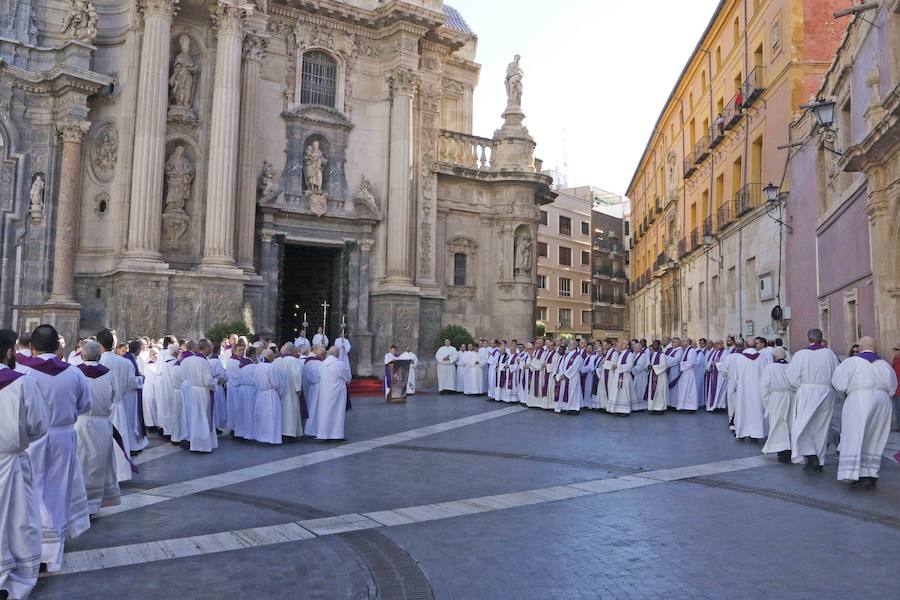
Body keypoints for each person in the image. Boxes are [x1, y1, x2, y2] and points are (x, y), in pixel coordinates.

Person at [20, 324, 91, 572]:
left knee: (32, 491)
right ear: (58, 348)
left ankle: (32, 547)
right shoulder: (74, 373)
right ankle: (53, 551)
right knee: (59, 490)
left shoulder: (23, 373)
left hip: (32, 439)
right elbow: (85, 406)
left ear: (32, 347)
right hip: (63, 437)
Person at [0, 329, 47, 600]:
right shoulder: (22, 383)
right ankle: (11, 578)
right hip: (12, 462)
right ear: (9, 352)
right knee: (17, 521)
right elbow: (38, 426)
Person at [831, 337, 898, 489]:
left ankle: (857, 473)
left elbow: (839, 383)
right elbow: (893, 386)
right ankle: (871, 473)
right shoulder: (884, 364)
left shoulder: (852, 362)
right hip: (883, 400)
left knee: (856, 435)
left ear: (860, 347)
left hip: (860, 399)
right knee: (875, 436)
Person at [74, 340, 121, 513]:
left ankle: (80, 502)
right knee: (98, 465)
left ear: (82, 355)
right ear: (99, 355)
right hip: (101, 424)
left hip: (80, 423)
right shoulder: (108, 373)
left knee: (81, 464)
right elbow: (113, 396)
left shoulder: (75, 372)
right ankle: (94, 505)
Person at [787, 329, 840, 472]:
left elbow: (792, 377)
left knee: (801, 425)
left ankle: (811, 455)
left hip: (807, 391)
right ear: (821, 338)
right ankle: (819, 459)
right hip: (826, 391)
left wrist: (802, 387)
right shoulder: (830, 354)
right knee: (821, 427)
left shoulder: (800, 355)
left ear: (808, 338)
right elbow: (836, 373)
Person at [719, 339, 767, 442]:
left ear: (745, 346)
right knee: (756, 410)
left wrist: (735, 387)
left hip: (743, 389)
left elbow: (736, 375)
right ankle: (756, 433)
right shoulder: (761, 357)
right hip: (757, 389)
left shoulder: (741, 358)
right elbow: (764, 373)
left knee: (742, 409)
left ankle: (742, 432)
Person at [181, 339, 217, 452]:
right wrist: (216, 381)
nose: (211, 349)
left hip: (191, 391)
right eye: (210, 346)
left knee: (194, 418)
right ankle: (202, 444)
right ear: (205, 348)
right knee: (202, 418)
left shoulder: (188, 360)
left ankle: (194, 441)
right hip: (202, 392)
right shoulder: (203, 361)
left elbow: (183, 376)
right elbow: (207, 381)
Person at [760, 348, 794, 463]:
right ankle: (790, 448)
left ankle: (781, 450)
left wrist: (767, 402)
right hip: (791, 397)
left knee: (778, 423)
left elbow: (764, 386)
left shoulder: (770, 368)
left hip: (777, 398)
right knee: (790, 423)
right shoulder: (791, 366)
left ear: (774, 357)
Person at [315, 347, 351, 440]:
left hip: (325, 392)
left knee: (325, 413)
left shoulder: (323, 364)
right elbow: (348, 378)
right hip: (337, 393)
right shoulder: (339, 364)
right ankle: (336, 435)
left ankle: (324, 434)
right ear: (337, 354)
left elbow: (319, 376)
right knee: (337, 413)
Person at [252, 349, 282, 445]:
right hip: (270, 395)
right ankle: (271, 438)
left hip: (260, 394)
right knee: (271, 417)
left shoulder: (257, 366)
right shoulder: (271, 367)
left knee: (261, 417)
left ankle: (261, 436)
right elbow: (276, 383)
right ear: (270, 357)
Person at [273, 343, 303, 439]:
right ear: (291, 351)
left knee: (282, 411)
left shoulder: (276, 361)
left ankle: (281, 431)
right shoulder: (293, 360)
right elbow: (296, 374)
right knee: (291, 410)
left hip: (279, 390)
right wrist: (298, 388)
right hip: (291, 390)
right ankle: (290, 433)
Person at [555, 340, 584, 414]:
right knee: (564, 392)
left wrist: (566, 374)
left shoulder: (578, 356)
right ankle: (565, 407)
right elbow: (561, 365)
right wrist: (561, 373)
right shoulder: (566, 355)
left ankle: (574, 408)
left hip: (573, 377)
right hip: (565, 377)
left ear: (575, 345)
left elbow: (575, 367)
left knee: (573, 392)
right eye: (569, 344)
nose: (569, 345)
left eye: (571, 344)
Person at [235, 346, 258, 440]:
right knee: (250, 412)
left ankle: (240, 432)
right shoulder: (254, 366)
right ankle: (249, 434)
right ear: (253, 355)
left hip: (242, 390)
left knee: (242, 412)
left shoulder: (241, 364)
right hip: (251, 390)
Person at [606, 339, 634, 415]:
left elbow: (629, 365)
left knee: (624, 393)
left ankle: (625, 410)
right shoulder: (621, 353)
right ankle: (618, 409)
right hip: (618, 375)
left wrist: (617, 366)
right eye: (622, 343)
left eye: (624, 343)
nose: (621, 345)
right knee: (617, 392)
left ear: (628, 346)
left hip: (624, 376)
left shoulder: (629, 354)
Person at [302, 347, 325, 437]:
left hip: (311, 388)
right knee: (317, 409)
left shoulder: (308, 363)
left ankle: (308, 429)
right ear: (322, 355)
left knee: (311, 408)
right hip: (319, 388)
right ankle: (316, 429)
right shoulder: (321, 364)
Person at [674, 338, 702, 411]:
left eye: (684, 341)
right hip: (684, 373)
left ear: (688, 342)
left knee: (689, 390)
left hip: (689, 373)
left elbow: (691, 363)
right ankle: (684, 406)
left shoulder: (692, 351)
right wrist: (682, 364)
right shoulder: (686, 351)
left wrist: (682, 365)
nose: (682, 342)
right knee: (684, 390)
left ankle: (690, 407)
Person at [208, 344, 228, 432]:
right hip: (217, 387)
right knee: (218, 407)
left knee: (213, 408)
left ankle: (213, 425)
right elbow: (222, 376)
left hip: (210, 386)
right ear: (219, 351)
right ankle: (215, 426)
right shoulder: (217, 362)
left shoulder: (207, 360)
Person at [579, 340, 600, 410]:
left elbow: (590, 366)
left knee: (588, 390)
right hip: (585, 375)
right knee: (586, 389)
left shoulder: (593, 356)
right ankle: (585, 403)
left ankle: (589, 404)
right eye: (587, 348)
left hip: (589, 376)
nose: (588, 349)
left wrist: (582, 370)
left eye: (590, 348)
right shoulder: (586, 356)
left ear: (593, 349)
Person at [631, 340, 649, 411]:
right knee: (635, 389)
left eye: (635, 348)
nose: (633, 349)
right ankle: (636, 406)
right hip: (636, 375)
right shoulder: (635, 354)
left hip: (640, 375)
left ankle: (641, 406)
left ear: (640, 348)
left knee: (640, 390)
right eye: (633, 347)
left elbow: (640, 366)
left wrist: (631, 370)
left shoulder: (643, 355)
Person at [892, 343, 900, 432]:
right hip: (895, 389)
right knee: (897, 409)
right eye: (894, 349)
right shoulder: (895, 360)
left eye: (897, 349)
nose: (894, 351)